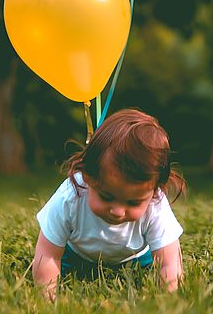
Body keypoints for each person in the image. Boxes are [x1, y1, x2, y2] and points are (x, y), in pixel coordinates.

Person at [32, 108, 186, 301]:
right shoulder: (71, 196)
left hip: (136, 260)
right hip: (76, 257)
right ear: (88, 177)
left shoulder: (155, 205)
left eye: (133, 202)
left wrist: (168, 303)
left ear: (154, 191)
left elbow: (169, 263)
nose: (117, 211)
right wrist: (47, 299)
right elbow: (48, 255)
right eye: (106, 196)